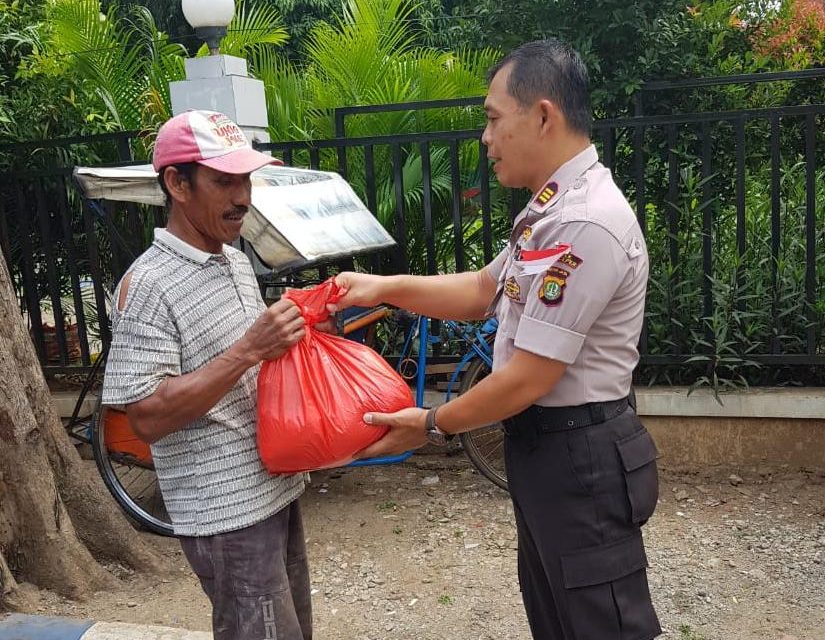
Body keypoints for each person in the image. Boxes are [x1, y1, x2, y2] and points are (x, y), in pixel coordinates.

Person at [331, 40, 662, 640]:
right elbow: (483, 288)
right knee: (557, 616)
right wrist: (382, 286)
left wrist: (431, 423)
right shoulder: (549, 210)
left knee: (601, 625)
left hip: (579, 455)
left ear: (542, 116)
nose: (484, 137)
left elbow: (530, 378)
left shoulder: (584, 221)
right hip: (547, 451)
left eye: (491, 118)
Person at [101, 110, 314, 640]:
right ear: (177, 183)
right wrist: (248, 349)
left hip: (274, 490)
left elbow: (247, 370)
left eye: (245, 179)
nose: (242, 196)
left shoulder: (235, 262)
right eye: (224, 181)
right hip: (225, 515)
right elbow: (145, 418)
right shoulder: (148, 285)